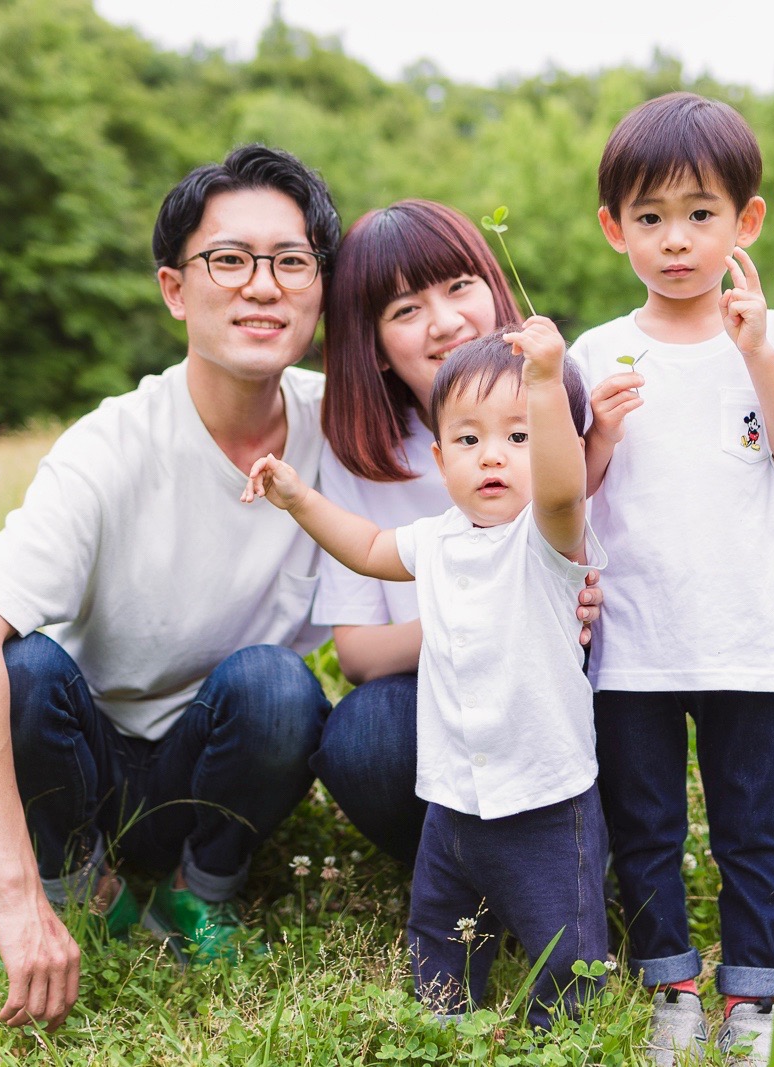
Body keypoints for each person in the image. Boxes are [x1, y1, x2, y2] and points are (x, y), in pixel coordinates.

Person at [0, 144, 342, 1032]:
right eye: (229, 258)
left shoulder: (341, 429)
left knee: (277, 684)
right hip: (85, 763)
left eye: (291, 261)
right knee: (22, 667)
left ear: (320, 287)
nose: (263, 285)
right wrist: (13, 893)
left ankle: (197, 895)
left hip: (217, 758)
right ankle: (73, 893)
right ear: (176, 289)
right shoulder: (108, 446)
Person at [242, 322, 610, 1028]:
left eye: (519, 437)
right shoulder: (437, 538)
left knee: (567, 948)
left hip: (544, 795)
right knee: (439, 927)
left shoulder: (548, 538)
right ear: (441, 459)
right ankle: (447, 1018)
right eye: (469, 440)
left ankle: (558, 1032)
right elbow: (369, 545)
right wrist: (298, 499)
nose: (492, 456)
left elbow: (563, 490)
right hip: (452, 797)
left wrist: (544, 383)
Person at [575, 92, 774, 1066]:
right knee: (645, 824)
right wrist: (595, 427)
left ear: (744, 221)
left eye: (699, 213)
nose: (674, 239)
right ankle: (671, 985)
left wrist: (756, 348)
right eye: (648, 217)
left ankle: (749, 1000)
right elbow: (575, 491)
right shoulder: (601, 353)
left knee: (745, 826)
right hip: (634, 639)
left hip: (744, 636)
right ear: (614, 230)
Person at [309, 200, 601, 863]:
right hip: (442, 706)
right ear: (375, 348)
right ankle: (459, 874)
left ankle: (587, 854)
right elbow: (357, 656)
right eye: (405, 310)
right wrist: (482, 611)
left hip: (554, 695)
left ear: (492, 289)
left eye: (457, 286)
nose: (443, 322)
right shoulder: (362, 455)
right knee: (364, 730)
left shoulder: (551, 401)